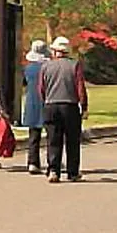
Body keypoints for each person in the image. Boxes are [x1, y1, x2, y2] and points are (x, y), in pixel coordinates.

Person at [37, 36, 88, 183]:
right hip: (69, 106)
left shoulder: (46, 67)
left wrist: (46, 101)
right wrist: (83, 106)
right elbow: (80, 88)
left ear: (54, 51)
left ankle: (53, 170)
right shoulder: (74, 65)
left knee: (53, 139)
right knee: (72, 140)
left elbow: (41, 88)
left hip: (51, 105)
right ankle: (72, 172)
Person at [22, 39, 51, 175]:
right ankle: (52, 161)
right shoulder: (48, 68)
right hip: (47, 102)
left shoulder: (28, 69)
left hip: (31, 102)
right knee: (51, 134)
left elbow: (24, 84)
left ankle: (33, 162)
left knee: (33, 135)